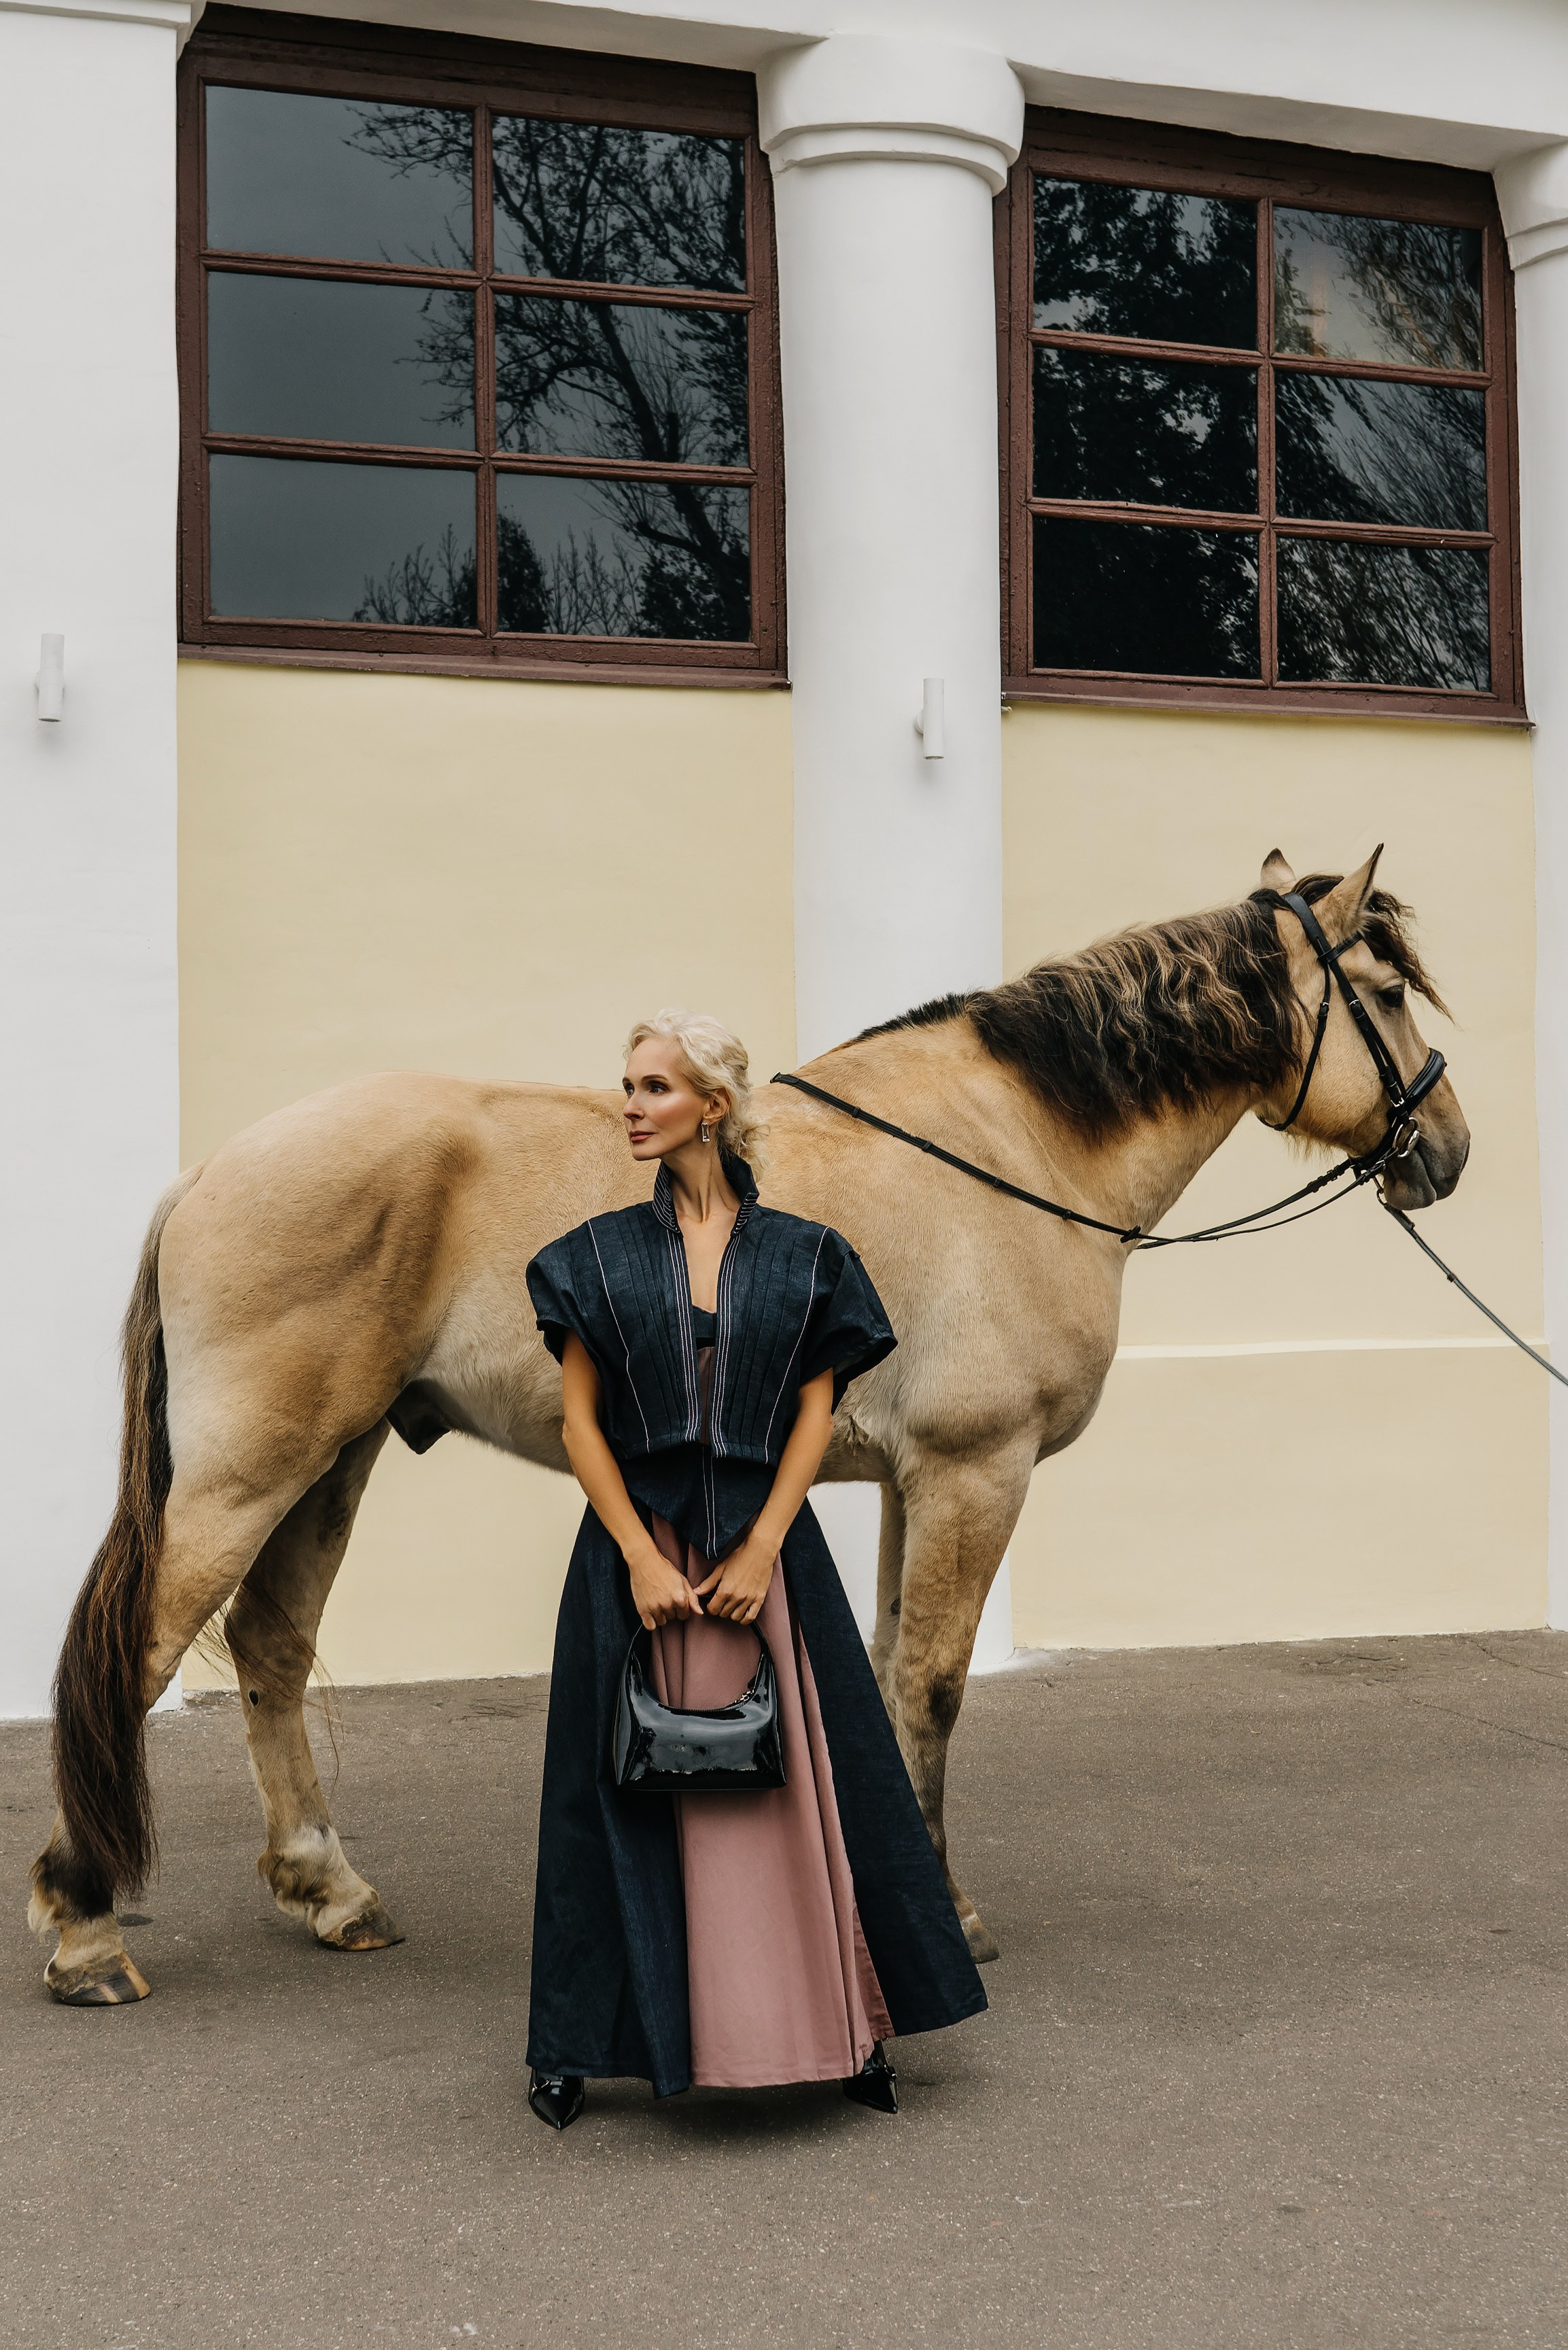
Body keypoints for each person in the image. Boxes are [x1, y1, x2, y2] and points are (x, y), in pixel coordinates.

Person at [522, 1010, 986, 2128]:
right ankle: (575, 2046)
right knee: (610, 1803)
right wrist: (637, 1551)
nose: (629, 1105)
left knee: (813, 1791)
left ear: (711, 1108)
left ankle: (844, 2029)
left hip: (766, 1557)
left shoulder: (808, 1257)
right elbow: (579, 1423)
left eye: (652, 1088)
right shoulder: (592, 1254)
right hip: (632, 1561)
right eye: (625, 1084)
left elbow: (818, 1409)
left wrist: (767, 1543)